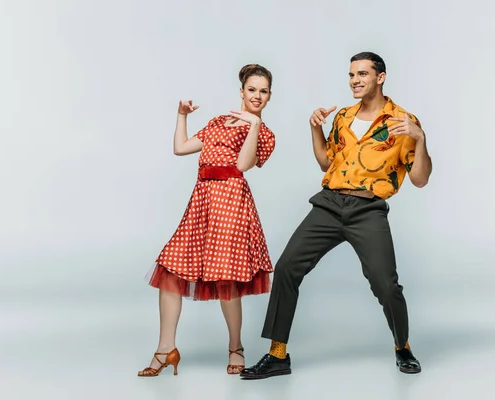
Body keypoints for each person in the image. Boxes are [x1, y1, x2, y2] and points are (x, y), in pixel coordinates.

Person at [240, 52, 433, 379]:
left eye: (362, 74)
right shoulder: (343, 116)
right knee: (287, 267)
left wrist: (420, 138)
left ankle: (403, 347)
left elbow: (419, 178)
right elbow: (327, 164)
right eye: (351, 75)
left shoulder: (403, 121)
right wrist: (315, 128)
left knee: (386, 285)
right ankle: (277, 354)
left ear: (380, 77)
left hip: (367, 210)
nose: (355, 80)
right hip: (329, 204)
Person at [138, 64, 276, 377]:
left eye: (263, 91)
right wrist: (182, 115)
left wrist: (253, 124)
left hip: (231, 204)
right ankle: (165, 349)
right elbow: (180, 148)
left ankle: (235, 348)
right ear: (241, 92)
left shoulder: (265, 135)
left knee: (226, 277)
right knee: (172, 269)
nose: (257, 95)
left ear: (269, 97)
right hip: (201, 204)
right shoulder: (216, 123)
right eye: (252, 89)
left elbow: (242, 164)